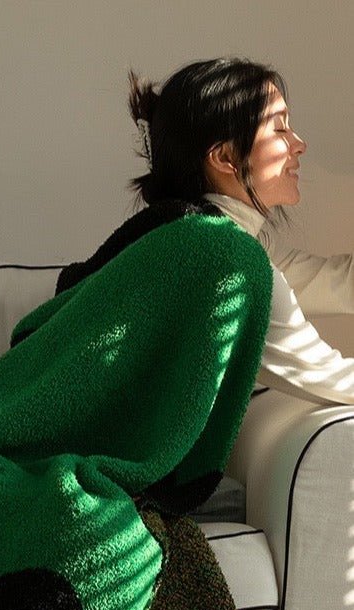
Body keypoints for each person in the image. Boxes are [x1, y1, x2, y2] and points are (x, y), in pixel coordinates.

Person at [60, 58, 354, 406]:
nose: (299, 143)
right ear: (225, 157)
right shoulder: (227, 261)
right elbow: (332, 379)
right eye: (279, 129)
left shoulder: (219, 240)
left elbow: (335, 283)